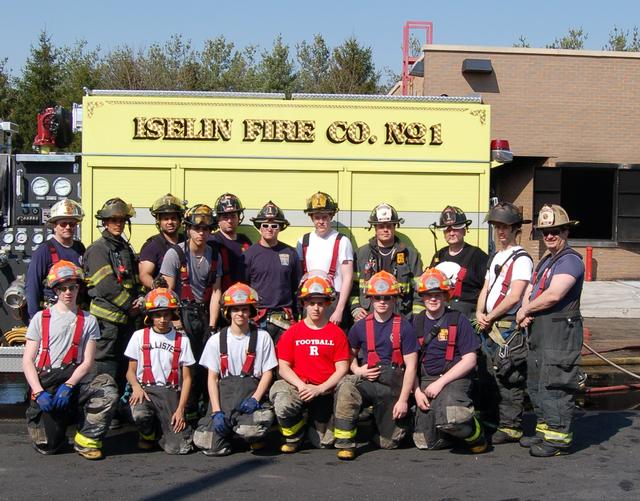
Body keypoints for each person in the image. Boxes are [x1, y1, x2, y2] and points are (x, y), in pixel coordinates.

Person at [22, 260, 118, 460]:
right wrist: (38, 393)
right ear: (55, 290)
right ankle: (58, 427)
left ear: (78, 289)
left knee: (106, 390)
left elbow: (88, 362)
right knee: (48, 446)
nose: (68, 292)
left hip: (73, 381)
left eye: (72, 287)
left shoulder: (89, 320)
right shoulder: (41, 319)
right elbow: (28, 361)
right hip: (46, 383)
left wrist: (69, 385)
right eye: (63, 288)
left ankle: (86, 438)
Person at [516, 204, 584, 457]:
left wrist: (525, 311)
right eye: (545, 232)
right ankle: (545, 430)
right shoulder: (546, 260)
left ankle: (558, 439)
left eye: (555, 230)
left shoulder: (570, 261)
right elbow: (532, 289)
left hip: (559, 332)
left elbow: (554, 295)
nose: (550, 236)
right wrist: (526, 310)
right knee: (537, 381)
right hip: (541, 329)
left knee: (556, 382)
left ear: (566, 231)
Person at [334, 271, 419, 460]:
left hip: (393, 385)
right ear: (370, 299)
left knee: (390, 443)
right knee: (347, 387)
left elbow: (411, 366)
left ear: (394, 299)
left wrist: (404, 400)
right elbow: (348, 354)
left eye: (387, 298)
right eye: (377, 297)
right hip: (369, 380)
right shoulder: (360, 326)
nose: (382, 301)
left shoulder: (404, 326)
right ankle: (346, 443)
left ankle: (383, 424)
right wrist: (357, 369)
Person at [194, 283, 277, 456]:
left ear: (251, 312)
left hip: (249, 400)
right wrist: (216, 411)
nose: (240, 314)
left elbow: (268, 372)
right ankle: (228, 435)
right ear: (228, 312)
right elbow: (212, 378)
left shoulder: (262, 337)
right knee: (208, 446)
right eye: (235, 309)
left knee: (253, 430)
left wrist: (255, 399)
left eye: (245, 309)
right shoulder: (216, 340)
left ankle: (248, 437)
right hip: (223, 401)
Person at [270, 275, 350, 453]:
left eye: (321, 303)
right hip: (300, 389)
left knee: (323, 442)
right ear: (304, 304)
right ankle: (294, 436)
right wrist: (301, 385)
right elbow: (283, 367)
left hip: (326, 392)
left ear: (328, 304)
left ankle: (313, 425)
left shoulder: (336, 333)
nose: (316, 308)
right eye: (312, 303)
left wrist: (320, 389)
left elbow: (342, 368)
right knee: (281, 398)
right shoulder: (293, 332)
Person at [475, 202, 533, 444]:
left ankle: (511, 426)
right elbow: (486, 288)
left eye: (505, 227)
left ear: (515, 229)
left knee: (509, 375)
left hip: (507, 327)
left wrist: (491, 316)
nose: (500, 232)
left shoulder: (522, 259)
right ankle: (493, 419)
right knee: (488, 374)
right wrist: (479, 312)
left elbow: (514, 296)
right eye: (497, 226)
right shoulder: (496, 257)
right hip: (489, 325)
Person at [412, 268, 487, 453]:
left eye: (438, 294)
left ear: (446, 295)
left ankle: (476, 432)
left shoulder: (457, 319)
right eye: (428, 294)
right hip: (426, 381)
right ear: (422, 296)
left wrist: (440, 383)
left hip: (453, 379)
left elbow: (470, 360)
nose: (433, 299)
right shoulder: (416, 322)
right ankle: (448, 433)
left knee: (452, 415)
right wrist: (416, 392)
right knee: (424, 442)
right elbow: (410, 364)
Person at [160, 204, 222, 419]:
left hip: (204, 316)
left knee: (205, 365)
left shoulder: (214, 256)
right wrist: (175, 322)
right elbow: (166, 292)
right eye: (197, 229)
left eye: (205, 229)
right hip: (181, 314)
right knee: (183, 365)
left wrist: (213, 326)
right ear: (188, 229)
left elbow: (216, 292)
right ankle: (181, 411)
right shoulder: (174, 254)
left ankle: (203, 411)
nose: (201, 233)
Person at [125, 287, 195, 455]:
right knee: (141, 415)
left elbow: (187, 379)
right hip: (146, 392)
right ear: (150, 316)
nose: (162, 319)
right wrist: (135, 386)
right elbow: (130, 371)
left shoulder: (182, 340)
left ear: (172, 315)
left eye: (166, 314)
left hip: (170, 394)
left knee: (179, 448)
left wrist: (180, 410)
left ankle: (163, 432)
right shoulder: (139, 336)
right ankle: (147, 434)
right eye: (157, 315)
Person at [84, 198, 143, 389]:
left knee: (122, 367)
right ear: (105, 222)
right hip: (107, 324)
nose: (118, 224)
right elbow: (106, 285)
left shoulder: (123, 247)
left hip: (124, 322)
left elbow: (133, 281)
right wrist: (130, 305)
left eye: (122, 220)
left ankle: (118, 413)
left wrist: (140, 299)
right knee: (105, 369)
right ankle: (101, 412)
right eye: (113, 220)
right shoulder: (98, 250)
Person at [351, 203, 423, 322]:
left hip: (401, 316)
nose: (385, 229)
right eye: (381, 226)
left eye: (389, 226)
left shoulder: (410, 254)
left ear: (395, 226)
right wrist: (356, 308)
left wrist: (416, 317)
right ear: (374, 227)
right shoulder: (361, 254)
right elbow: (352, 286)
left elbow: (419, 289)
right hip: (368, 316)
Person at [244, 201, 302, 342]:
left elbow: (297, 287)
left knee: (285, 358)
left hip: (285, 317)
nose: (269, 229)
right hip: (258, 316)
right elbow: (244, 287)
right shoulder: (249, 254)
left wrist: (298, 314)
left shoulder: (290, 253)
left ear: (280, 227)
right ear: (259, 227)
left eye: (274, 225)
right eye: (265, 225)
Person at [297, 192, 354, 327]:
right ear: (311, 218)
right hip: (309, 301)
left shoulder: (342, 241)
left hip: (333, 302)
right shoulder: (303, 241)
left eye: (325, 217)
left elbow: (348, 277)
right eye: (317, 217)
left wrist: (339, 309)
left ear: (331, 216)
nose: (321, 221)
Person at [26, 198, 86, 320]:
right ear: (54, 225)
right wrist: (34, 319)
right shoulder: (44, 251)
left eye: (72, 224)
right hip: (53, 315)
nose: (68, 227)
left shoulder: (80, 248)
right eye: (63, 224)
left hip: (77, 312)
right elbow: (32, 286)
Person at [429, 206, 488, 319]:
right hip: (441, 315)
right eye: (447, 229)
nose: (451, 233)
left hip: (467, 316)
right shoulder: (439, 255)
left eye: (456, 229)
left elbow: (487, 288)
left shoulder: (477, 256)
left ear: (464, 230)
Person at [139, 194, 186, 290]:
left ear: (179, 220)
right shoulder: (152, 246)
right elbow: (144, 275)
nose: (170, 222)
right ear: (159, 221)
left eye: (173, 218)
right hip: (163, 300)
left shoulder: (187, 242)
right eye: (165, 219)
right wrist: (158, 287)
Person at [211, 193, 252, 293]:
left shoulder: (245, 241)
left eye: (233, 216)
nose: (230, 220)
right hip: (221, 294)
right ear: (218, 219)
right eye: (225, 217)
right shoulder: (212, 241)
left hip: (244, 296)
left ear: (239, 218)